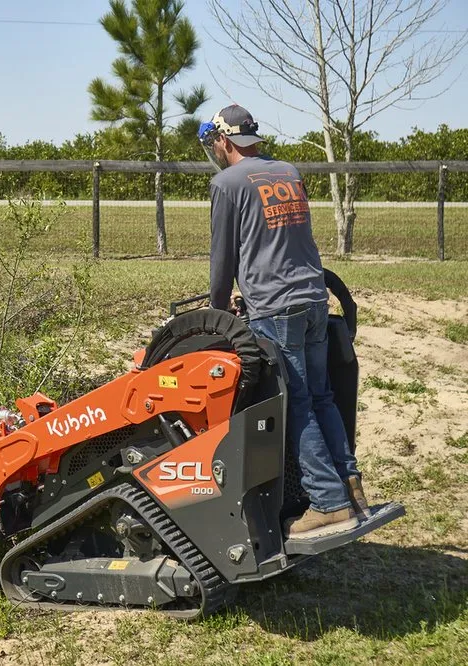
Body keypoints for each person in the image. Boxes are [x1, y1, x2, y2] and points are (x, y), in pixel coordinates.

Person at [198, 104, 371, 540]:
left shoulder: (226, 182)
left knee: (295, 404)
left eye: (214, 143)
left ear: (223, 140)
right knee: (322, 396)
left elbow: (223, 259)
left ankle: (329, 505)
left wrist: (218, 314)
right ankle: (351, 487)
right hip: (314, 298)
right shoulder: (288, 172)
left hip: (276, 309)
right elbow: (282, 241)